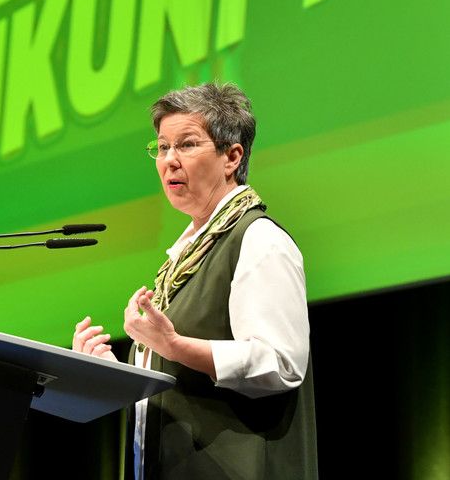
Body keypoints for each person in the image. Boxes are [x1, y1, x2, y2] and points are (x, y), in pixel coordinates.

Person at [72, 82, 317, 479]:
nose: (169, 160)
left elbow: (280, 364)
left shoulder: (258, 239)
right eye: (162, 147)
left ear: (231, 157)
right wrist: (114, 374)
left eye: (186, 144)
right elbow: (175, 381)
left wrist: (174, 345)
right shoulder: (186, 257)